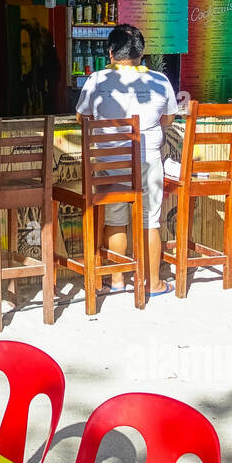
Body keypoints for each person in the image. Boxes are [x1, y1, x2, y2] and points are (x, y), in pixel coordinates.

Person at [75, 24, 179, 298]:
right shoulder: (160, 81)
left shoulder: (97, 79)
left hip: (111, 164)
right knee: (150, 221)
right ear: (142, 54)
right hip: (148, 160)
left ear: (110, 53)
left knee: (117, 220)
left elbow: (81, 118)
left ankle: (118, 279)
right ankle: (153, 283)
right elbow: (168, 120)